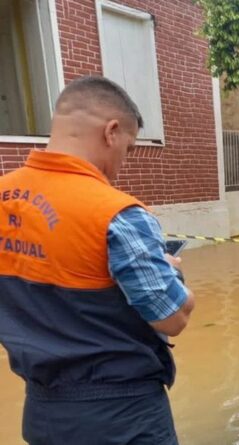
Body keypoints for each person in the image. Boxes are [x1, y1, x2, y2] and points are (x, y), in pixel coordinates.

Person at [0, 76, 195, 444]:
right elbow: (172, 317)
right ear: (111, 131)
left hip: (42, 415)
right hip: (123, 417)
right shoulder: (116, 214)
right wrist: (172, 274)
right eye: (130, 147)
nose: (124, 162)